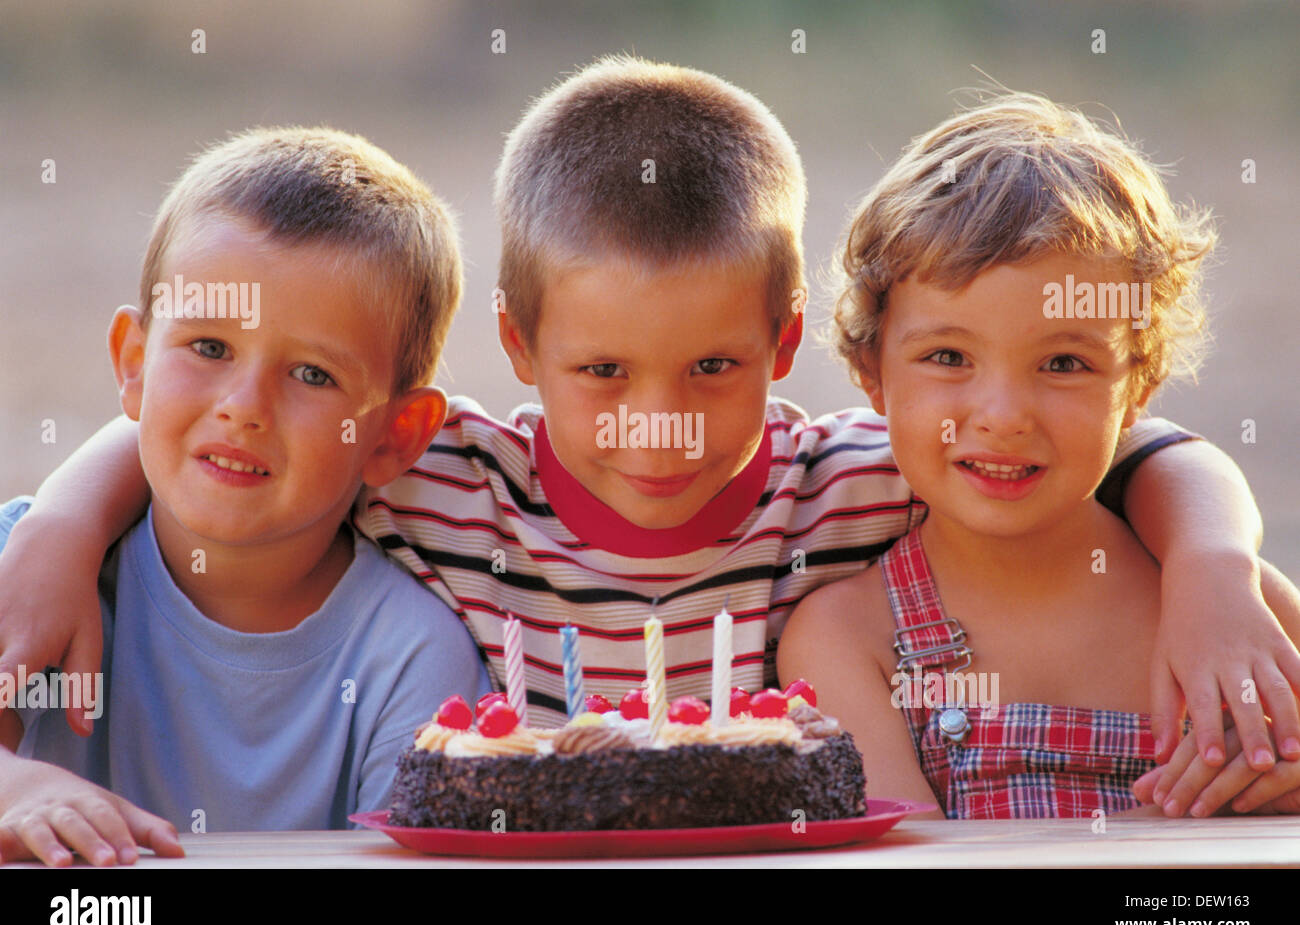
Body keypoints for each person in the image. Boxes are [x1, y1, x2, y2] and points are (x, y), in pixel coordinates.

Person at [2, 59, 1296, 773]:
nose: (659, 429)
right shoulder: (444, 478)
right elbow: (232, 439)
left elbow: (1105, 440)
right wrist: (61, 525)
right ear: (520, 344)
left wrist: (1218, 566)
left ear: (789, 345)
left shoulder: (855, 477)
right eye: (604, 374)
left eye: (714, 372)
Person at [777, 92, 1300, 817]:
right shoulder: (848, 641)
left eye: (1062, 364)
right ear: (873, 370)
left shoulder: (1232, 612)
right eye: (949, 355)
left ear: (1139, 382)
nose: (1003, 417)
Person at [0, 128, 490, 866]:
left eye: (314, 375)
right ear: (133, 364)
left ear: (395, 434)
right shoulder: (33, 569)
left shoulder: (412, 657)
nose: (245, 405)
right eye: (209, 348)